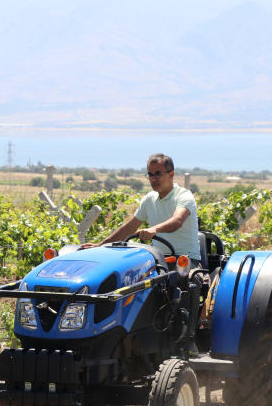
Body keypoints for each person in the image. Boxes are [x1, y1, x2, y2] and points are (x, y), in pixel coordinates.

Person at [81, 153, 202, 356]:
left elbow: (178, 220)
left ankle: (187, 340)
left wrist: (154, 229)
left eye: (158, 174)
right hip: (157, 260)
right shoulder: (150, 199)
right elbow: (129, 227)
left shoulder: (184, 196)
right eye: (150, 174)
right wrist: (100, 246)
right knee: (132, 283)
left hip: (185, 259)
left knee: (187, 282)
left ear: (171, 174)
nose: (154, 179)